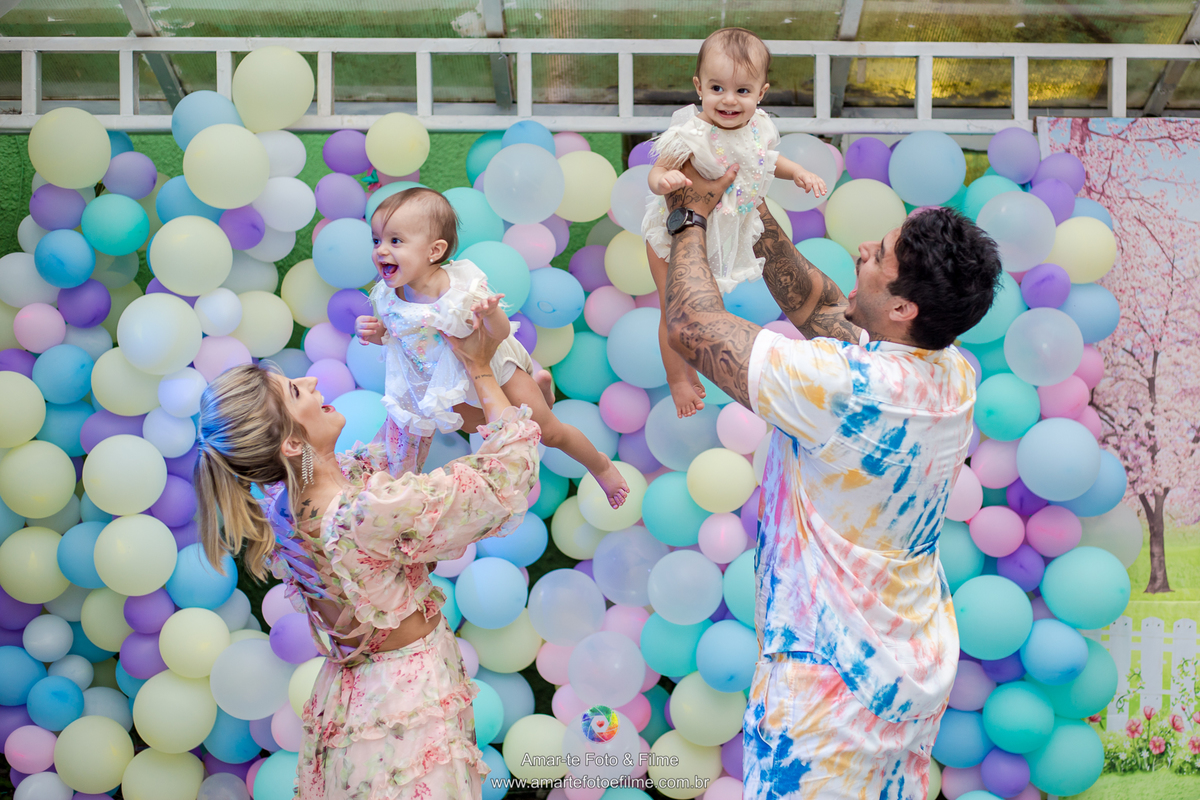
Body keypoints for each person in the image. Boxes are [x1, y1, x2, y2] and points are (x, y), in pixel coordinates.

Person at [659, 160, 1002, 799]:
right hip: (905, 667)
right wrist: (753, 214)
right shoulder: (949, 370)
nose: (862, 250)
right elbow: (819, 308)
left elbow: (692, 328)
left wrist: (691, 217)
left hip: (830, 688)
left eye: (882, 255)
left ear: (903, 305)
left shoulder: (847, 389)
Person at [194, 313, 539, 800]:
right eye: (296, 391)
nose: (311, 379)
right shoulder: (359, 512)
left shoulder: (286, 503)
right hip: (404, 710)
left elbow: (397, 449)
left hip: (358, 705)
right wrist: (481, 369)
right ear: (292, 443)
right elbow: (504, 478)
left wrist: (413, 347)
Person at [356, 187, 629, 509]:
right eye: (377, 241)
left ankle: (599, 465)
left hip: (495, 370)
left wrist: (490, 314)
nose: (381, 250)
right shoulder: (388, 296)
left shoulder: (458, 289)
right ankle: (542, 392)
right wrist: (377, 333)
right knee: (480, 430)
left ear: (434, 251)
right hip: (446, 381)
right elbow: (399, 333)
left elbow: (497, 335)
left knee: (548, 431)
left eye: (395, 241)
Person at [642, 27, 828, 418]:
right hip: (674, 233)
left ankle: (693, 367)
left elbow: (768, 160)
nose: (729, 100)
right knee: (673, 309)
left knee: (706, 309)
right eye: (717, 88)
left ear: (761, 94)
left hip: (722, 233)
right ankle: (677, 380)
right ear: (698, 88)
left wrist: (799, 173)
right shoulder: (690, 134)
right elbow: (656, 173)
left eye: (742, 91)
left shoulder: (759, 128)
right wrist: (666, 181)